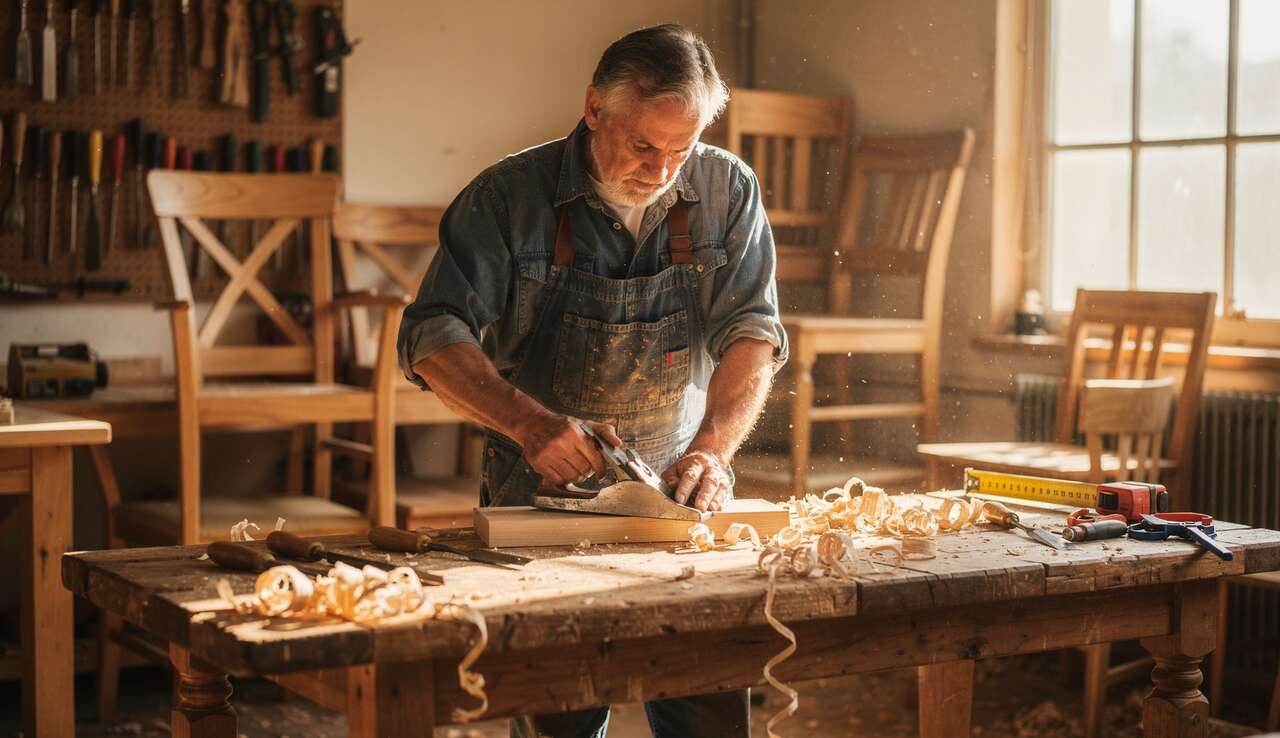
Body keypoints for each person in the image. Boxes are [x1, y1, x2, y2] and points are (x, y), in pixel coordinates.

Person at [398, 23, 787, 738]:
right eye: (642, 146)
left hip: (678, 496)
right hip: (541, 495)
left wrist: (712, 451)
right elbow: (431, 337)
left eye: (680, 150)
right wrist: (530, 424)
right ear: (594, 109)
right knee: (560, 710)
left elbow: (753, 332)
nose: (661, 171)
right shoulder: (507, 197)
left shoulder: (726, 187)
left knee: (706, 700)